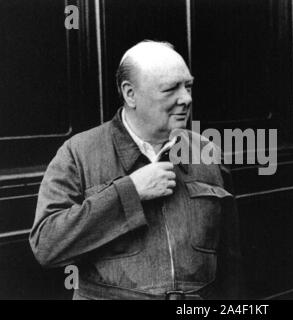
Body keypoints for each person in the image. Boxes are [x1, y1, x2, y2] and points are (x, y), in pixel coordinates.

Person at [29, 40, 242, 300]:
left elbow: (230, 259)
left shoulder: (206, 151)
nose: (186, 98)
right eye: (170, 89)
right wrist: (130, 193)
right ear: (130, 94)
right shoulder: (78, 153)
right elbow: (47, 246)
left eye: (188, 86)